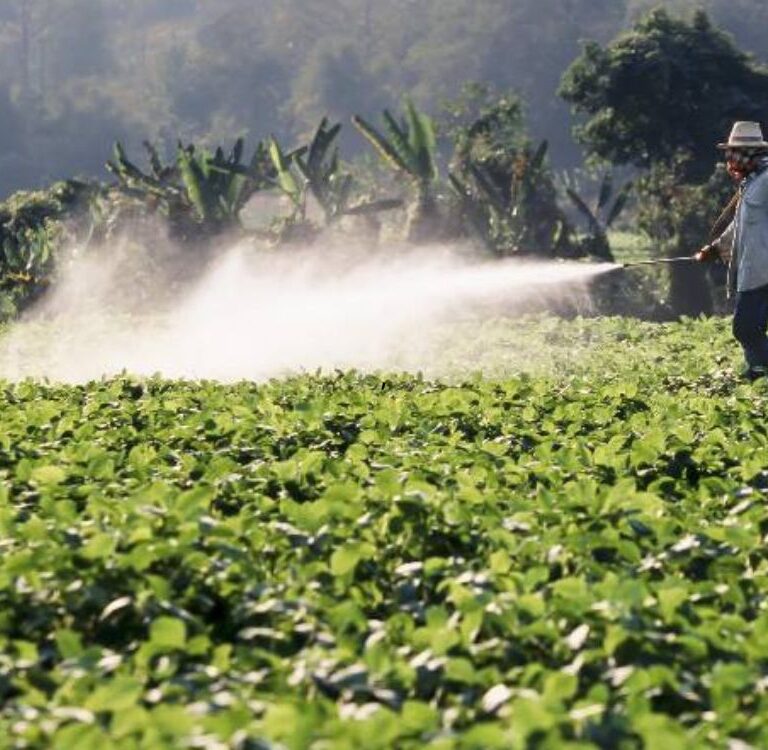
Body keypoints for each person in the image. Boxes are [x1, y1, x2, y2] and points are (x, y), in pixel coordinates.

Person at [698, 121, 768, 381]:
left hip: (763, 271)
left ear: (749, 153)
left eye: (734, 152)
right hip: (753, 269)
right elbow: (740, 227)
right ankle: (757, 375)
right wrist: (715, 249)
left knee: (745, 328)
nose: (730, 159)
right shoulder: (752, 182)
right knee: (753, 327)